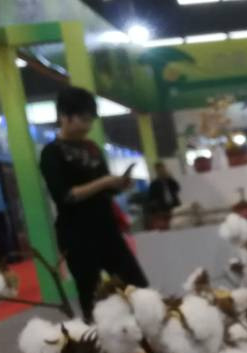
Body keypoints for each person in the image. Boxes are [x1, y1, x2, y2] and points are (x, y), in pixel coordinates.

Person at [40, 86, 148, 321]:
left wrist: (119, 185)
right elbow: (65, 196)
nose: (88, 125)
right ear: (64, 116)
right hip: (76, 234)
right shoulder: (51, 153)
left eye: (91, 119)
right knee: (91, 296)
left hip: (106, 228)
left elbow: (105, 190)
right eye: (83, 119)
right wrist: (104, 182)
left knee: (138, 287)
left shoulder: (92, 149)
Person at [145, 160, 182, 228]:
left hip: (174, 206)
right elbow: (151, 197)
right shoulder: (154, 184)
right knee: (166, 226)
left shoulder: (170, 181)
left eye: (162, 169)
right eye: (159, 170)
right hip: (162, 209)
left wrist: (169, 177)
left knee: (178, 224)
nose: (161, 171)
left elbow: (177, 188)